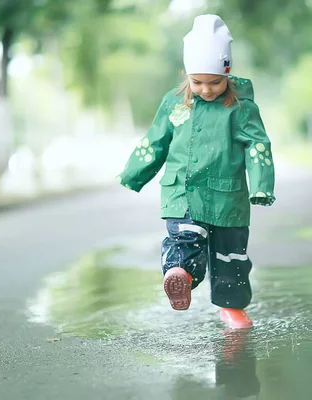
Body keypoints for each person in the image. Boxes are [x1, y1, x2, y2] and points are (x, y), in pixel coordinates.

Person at [117, 14, 275, 329]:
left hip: (227, 198)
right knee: (185, 238)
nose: (205, 89)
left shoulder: (241, 109)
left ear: (228, 74)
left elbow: (258, 146)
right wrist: (134, 172)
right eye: (197, 81)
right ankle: (180, 273)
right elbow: (155, 141)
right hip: (182, 192)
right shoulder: (174, 105)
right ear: (186, 74)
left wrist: (261, 186)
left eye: (215, 82)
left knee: (231, 257)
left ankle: (232, 308)